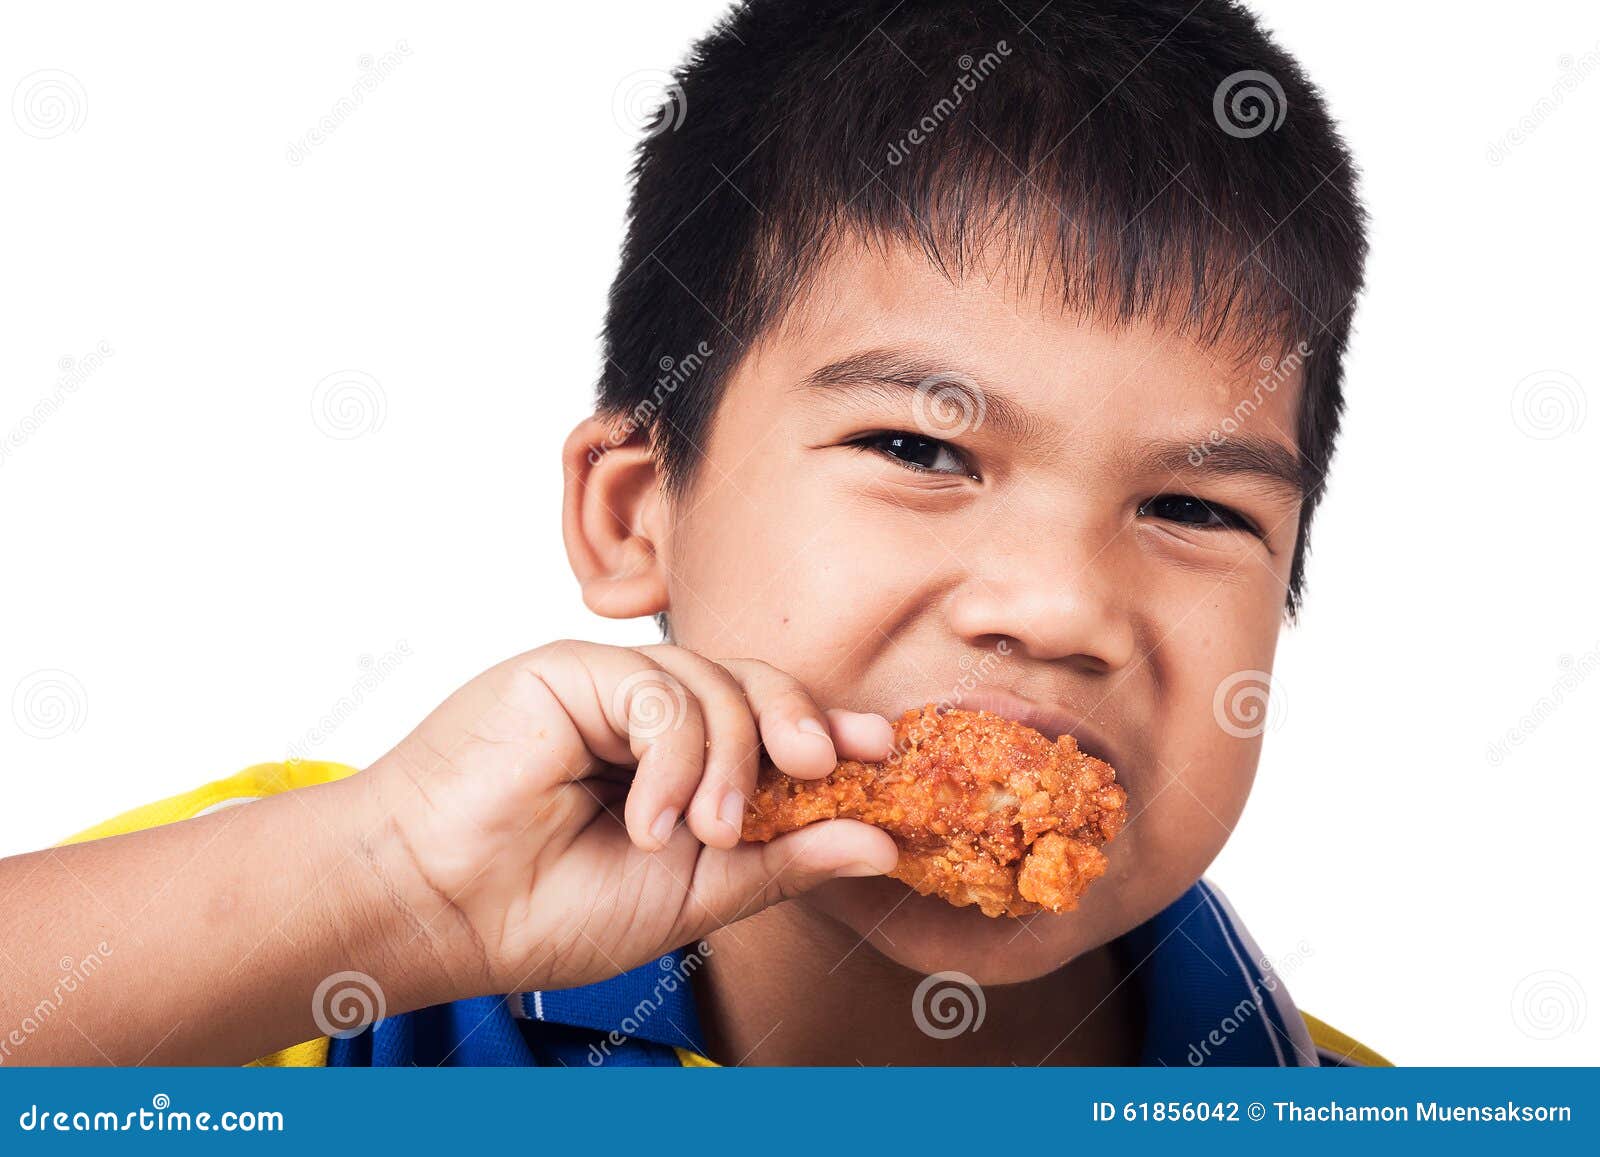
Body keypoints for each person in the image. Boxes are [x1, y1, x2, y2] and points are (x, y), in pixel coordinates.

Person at [0, 0, 1385, 1067]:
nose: (1058, 603)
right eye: (918, 447)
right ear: (633, 513)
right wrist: (399, 899)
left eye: (1196, 507)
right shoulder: (312, 936)